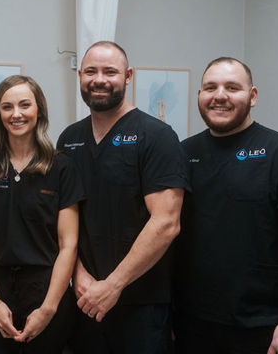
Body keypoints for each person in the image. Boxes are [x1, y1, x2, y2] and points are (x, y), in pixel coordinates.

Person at [173, 57, 278, 354]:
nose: (220, 95)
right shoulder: (183, 153)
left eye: (232, 87)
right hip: (192, 325)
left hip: (264, 328)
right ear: (200, 96)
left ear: (253, 96)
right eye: (211, 87)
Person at [56, 41, 188, 353]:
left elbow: (166, 223)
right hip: (84, 298)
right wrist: (79, 275)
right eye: (90, 71)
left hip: (140, 302)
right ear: (80, 77)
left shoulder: (156, 136)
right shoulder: (69, 139)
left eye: (109, 71)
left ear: (128, 76)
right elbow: (63, 216)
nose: (98, 79)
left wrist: (113, 285)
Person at [0, 75, 82, 354]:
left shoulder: (61, 167)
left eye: (25, 105)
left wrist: (49, 308)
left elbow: (69, 244)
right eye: (7, 107)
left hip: (46, 289)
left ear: (38, 109)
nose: (16, 114)